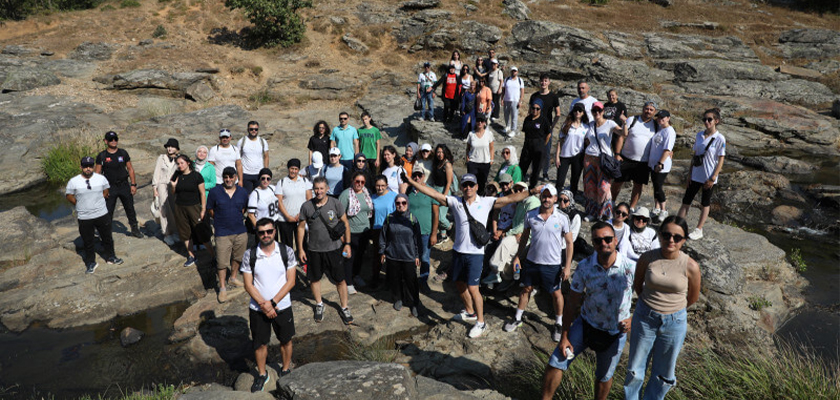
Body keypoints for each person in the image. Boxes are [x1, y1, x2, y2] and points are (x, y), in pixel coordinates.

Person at [404, 173, 543, 338]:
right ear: (462, 187)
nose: (468, 188)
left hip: (475, 254)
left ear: (477, 186)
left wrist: (533, 191)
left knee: (473, 288)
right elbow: (433, 193)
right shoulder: (456, 202)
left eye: (471, 185)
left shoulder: (486, 202)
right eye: (465, 185)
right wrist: (412, 181)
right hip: (458, 252)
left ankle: (481, 322)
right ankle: (470, 312)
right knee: (459, 283)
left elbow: (510, 199)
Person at [541, 221, 635, 400]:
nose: (603, 244)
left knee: (603, 377)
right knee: (556, 363)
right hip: (586, 324)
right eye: (598, 241)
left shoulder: (630, 268)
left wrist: (633, 318)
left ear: (616, 240)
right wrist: (564, 336)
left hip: (614, 332)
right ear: (593, 243)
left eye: (608, 239)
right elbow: (572, 302)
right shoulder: (585, 266)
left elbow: (648, 298)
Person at [624, 216, 701, 400]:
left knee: (664, 374)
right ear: (659, 235)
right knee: (635, 370)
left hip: (674, 323)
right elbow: (638, 284)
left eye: (677, 237)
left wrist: (672, 308)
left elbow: (693, 297)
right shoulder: (647, 258)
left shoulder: (690, 265)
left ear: (684, 240)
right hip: (645, 318)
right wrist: (651, 303)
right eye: (666, 235)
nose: (671, 240)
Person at [505, 184, 573, 342]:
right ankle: (517, 318)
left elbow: (569, 243)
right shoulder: (530, 215)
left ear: (555, 199)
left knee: (556, 293)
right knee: (525, 289)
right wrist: (517, 256)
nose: (547, 199)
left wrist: (567, 266)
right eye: (544, 195)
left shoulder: (562, 218)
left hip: (552, 264)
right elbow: (524, 238)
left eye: (550, 196)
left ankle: (558, 323)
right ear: (541, 197)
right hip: (532, 262)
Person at [242, 218, 297, 392]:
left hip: (282, 305)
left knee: (286, 340)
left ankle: (286, 368)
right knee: (260, 343)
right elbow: (248, 284)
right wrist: (263, 305)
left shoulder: (286, 251)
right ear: (257, 234)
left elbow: (291, 281)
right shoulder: (249, 254)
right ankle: (262, 373)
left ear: (274, 231)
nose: (266, 235)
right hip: (258, 309)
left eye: (269, 231)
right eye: (261, 232)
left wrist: (272, 303)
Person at [297, 177, 354, 325]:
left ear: (327, 188)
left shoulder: (336, 203)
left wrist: (347, 244)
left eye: (322, 188)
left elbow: (345, 223)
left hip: (334, 249)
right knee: (314, 278)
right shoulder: (306, 206)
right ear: (313, 189)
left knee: (340, 279)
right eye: (316, 188)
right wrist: (301, 249)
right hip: (314, 250)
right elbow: (301, 228)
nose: (319, 191)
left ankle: (344, 307)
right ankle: (319, 304)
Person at [66, 156, 123, 273]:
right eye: (85, 166)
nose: (88, 168)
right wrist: (78, 203)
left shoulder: (101, 178)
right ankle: (91, 262)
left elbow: (106, 189)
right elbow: (69, 195)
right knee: (88, 241)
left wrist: (101, 198)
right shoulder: (74, 181)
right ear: (81, 167)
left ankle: (111, 257)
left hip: (101, 213)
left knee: (107, 237)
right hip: (85, 216)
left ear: (93, 167)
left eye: (90, 166)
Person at [677, 108, 726, 241]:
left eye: (709, 119)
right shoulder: (699, 135)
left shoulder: (719, 138)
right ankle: (678, 226)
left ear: (716, 121)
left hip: (708, 176)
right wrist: (689, 174)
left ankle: (699, 229)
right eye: (704, 119)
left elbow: (721, 158)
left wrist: (714, 176)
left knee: (705, 203)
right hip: (695, 175)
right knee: (686, 200)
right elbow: (695, 156)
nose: (706, 122)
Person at [207, 167, 250, 303]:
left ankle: (233, 277)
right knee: (221, 261)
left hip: (240, 231)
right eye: (226, 177)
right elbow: (210, 210)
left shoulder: (243, 192)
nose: (228, 179)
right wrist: (221, 219)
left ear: (236, 177)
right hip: (222, 232)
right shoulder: (215, 192)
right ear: (223, 177)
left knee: (238, 256)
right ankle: (223, 287)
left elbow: (244, 208)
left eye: (231, 177)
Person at [487, 181, 539, 291]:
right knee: (504, 244)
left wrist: (508, 233)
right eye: (516, 190)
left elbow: (525, 224)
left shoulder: (532, 203)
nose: (519, 192)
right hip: (516, 233)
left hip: (527, 237)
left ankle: (507, 278)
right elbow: (515, 221)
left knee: (511, 256)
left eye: (521, 190)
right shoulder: (519, 203)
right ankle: (496, 272)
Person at [379, 194, 424, 316]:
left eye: (403, 203)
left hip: (408, 255)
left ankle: (414, 303)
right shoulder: (389, 218)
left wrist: (417, 255)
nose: (401, 205)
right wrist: (382, 251)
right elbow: (383, 236)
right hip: (393, 255)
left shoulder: (412, 219)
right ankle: (398, 298)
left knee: (411, 280)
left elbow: (417, 239)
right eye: (398, 203)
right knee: (395, 279)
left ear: (407, 204)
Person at [95, 131, 143, 238]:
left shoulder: (123, 153)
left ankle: (135, 229)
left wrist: (133, 184)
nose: (113, 141)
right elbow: (97, 174)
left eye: (115, 139)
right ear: (106, 141)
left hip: (124, 185)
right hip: (109, 187)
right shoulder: (102, 156)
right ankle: (106, 233)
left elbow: (130, 169)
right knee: (108, 210)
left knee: (130, 208)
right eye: (111, 139)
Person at [613, 101, 657, 209]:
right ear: (643, 109)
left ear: (654, 112)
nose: (648, 111)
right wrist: (617, 154)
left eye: (651, 110)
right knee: (618, 182)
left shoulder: (656, 125)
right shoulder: (632, 120)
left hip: (643, 162)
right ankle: (611, 202)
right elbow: (622, 137)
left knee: (638, 185)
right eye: (647, 108)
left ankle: (632, 208)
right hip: (626, 158)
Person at [582, 102, 623, 222]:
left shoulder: (609, 123)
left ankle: (605, 213)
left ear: (603, 111)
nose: (596, 113)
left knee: (604, 187)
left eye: (599, 111)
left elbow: (622, 133)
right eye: (594, 111)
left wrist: (624, 122)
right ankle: (592, 212)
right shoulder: (590, 125)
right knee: (590, 187)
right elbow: (586, 140)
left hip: (603, 160)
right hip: (589, 158)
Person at [338, 171, 373, 295]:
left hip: (364, 231)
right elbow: (339, 215)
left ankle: (356, 275)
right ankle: (348, 282)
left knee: (359, 256)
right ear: (352, 180)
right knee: (349, 258)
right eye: (357, 181)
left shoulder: (366, 193)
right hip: (351, 232)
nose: (359, 184)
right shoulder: (346, 194)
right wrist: (342, 235)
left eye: (362, 182)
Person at [407, 165, 439, 291]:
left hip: (426, 231)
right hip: (410, 231)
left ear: (424, 177)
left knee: (425, 257)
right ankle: (412, 280)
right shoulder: (409, 191)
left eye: (419, 175)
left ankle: (423, 280)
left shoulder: (430, 191)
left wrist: (434, 233)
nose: (417, 177)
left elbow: (436, 214)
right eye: (414, 175)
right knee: (411, 256)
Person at [170, 155, 206, 267]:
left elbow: (202, 193)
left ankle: (213, 254)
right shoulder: (176, 175)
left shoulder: (197, 176)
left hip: (194, 206)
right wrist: (173, 186)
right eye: (178, 163)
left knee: (200, 230)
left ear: (188, 163)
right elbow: (173, 192)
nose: (180, 165)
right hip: (180, 206)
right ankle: (191, 256)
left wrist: (203, 208)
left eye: (182, 163)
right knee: (184, 232)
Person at [529, 75, 562, 181]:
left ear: (549, 82)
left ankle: (545, 173)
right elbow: (530, 111)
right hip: (534, 128)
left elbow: (558, 113)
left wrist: (552, 126)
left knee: (546, 152)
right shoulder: (534, 96)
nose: (543, 83)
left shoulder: (553, 97)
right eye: (542, 81)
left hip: (546, 129)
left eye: (545, 81)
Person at [276, 159, 313, 250]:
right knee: (286, 244)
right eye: (292, 168)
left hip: (301, 218)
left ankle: (302, 261)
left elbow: (309, 199)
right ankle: (288, 262)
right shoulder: (281, 182)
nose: (294, 171)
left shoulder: (304, 181)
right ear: (288, 169)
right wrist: (287, 216)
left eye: (296, 169)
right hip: (285, 219)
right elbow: (278, 201)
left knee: (302, 242)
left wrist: (301, 214)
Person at [369, 175, 398, 288]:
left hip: (390, 229)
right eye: (378, 186)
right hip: (377, 229)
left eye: (382, 186)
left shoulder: (393, 196)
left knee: (391, 255)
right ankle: (375, 279)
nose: (380, 188)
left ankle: (390, 281)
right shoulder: (372, 198)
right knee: (378, 255)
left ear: (387, 185)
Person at [555, 103, 589, 197]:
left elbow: (587, 143)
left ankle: (571, 200)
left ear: (583, 113)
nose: (577, 112)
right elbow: (560, 141)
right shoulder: (566, 125)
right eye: (575, 110)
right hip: (564, 155)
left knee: (574, 180)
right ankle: (557, 198)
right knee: (560, 181)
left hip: (578, 156)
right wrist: (557, 156)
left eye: (580, 110)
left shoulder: (586, 128)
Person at [648, 110, 675, 222]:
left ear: (668, 118)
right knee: (655, 186)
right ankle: (657, 208)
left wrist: (660, 163)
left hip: (661, 164)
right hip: (653, 163)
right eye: (659, 117)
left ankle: (664, 210)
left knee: (658, 187)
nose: (660, 119)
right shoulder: (660, 128)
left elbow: (667, 150)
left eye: (663, 117)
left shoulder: (669, 131)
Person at [519, 98, 552, 188]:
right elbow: (525, 131)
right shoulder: (527, 119)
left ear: (540, 109)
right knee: (522, 166)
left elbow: (548, 134)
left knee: (536, 169)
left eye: (537, 108)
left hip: (538, 147)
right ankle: (520, 185)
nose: (535, 110)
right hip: (527, 145)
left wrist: (542, 144)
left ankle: (532, 187)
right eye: (533, 108)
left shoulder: (544, 120)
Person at [153, 138, 180, 245]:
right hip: (162, 185)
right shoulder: (161, 158)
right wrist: (154, 188)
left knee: (174, 209)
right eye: (168, 146)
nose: (169, 148)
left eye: (172, 146)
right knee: (164, 209)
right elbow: (156, 173)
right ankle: (166, 233)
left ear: (176, 148)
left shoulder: (179, 159)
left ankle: (175, 231)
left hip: (173, 187)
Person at [431, 144, 454, 246]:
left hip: (444, 191)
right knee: (436, 213)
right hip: (436, 190)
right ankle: (443, 235)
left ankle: (450, 226)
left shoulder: (447, 165)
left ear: (445, 153)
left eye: (441, 152)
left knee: (440, 216)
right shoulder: (437, 163)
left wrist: (444, 196)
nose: (440, 154)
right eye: (438, 152)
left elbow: (449, 182)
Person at [237, 120, 269, 193]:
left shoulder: (262, 141)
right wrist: (239, 178)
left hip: (259, 174)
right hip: (245, 174)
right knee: (246, 196)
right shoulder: (242, 141)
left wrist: (266, 171)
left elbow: (266, 156)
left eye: (256, 129)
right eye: (251, 129)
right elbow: (237, 159)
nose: (253, 131)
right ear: (248, 129)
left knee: (259, 195)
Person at [247, 168, 280, 240]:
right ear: (259, 179)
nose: (265, 181)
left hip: (274, 223)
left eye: (268, 179)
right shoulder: (255, 194)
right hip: (263, 226)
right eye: (263, 178)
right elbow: (250, 215)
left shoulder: (272, 188)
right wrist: (259, 229)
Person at [466, 114, 495, 194]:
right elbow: (468, 148)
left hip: (485, 162)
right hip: (473, 162)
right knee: (471, 183)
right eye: (478, 121)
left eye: (482, 121)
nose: (480, 123)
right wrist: (467, 158)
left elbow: (491, 148)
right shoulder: (471, 134)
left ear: (484, 123)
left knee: (482, 184)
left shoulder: (489, 134)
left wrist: (491, 160)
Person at [502, 66, 525, 136]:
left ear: (517, 72)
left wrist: (520, 101)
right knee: (506, 115)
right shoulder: (507, 79)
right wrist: (502, 99)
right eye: (512, 71)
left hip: (515, 100)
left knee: (514, 116)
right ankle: (507, 126)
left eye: (515, 71)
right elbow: (503, 90)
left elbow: (522, 91)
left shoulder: (520, 80)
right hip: (506, 100)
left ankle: (513, 130)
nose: (513, 72)